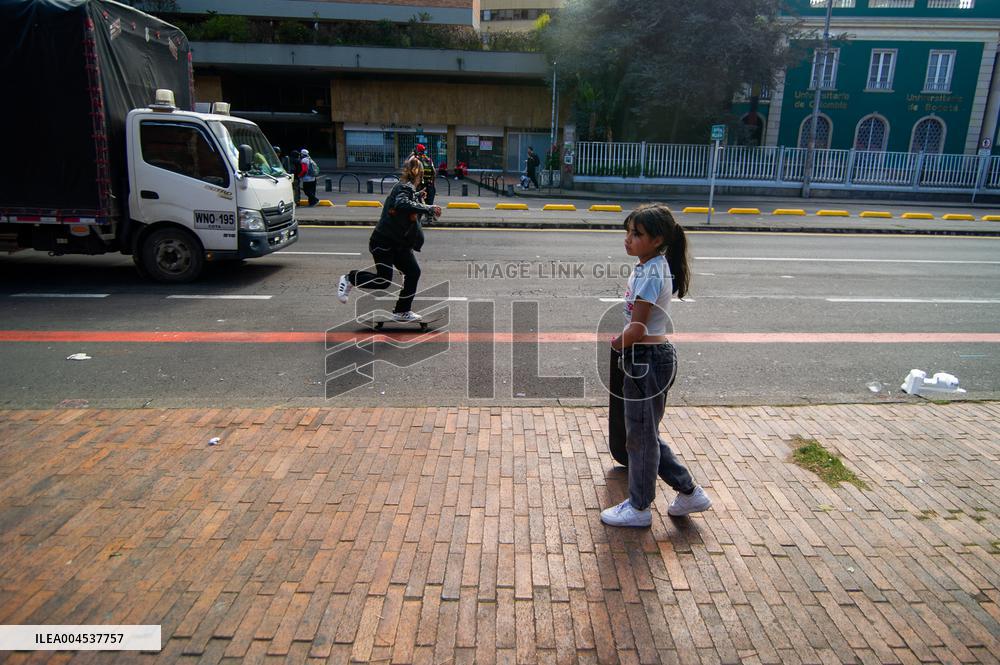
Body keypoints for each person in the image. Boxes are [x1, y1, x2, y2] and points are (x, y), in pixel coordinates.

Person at [601, 204, 711, 528]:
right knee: (646, 434)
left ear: (657, 239)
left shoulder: (651, 272)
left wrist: (616, 344)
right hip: (651, 359)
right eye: (628, 232)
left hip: (645, 361)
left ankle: (639, 507)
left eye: (637, 234)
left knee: (640, 437)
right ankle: (689, 491)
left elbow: (637, 329)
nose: (628, 239)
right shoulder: (651, 265)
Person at [336, 156, 442, 322]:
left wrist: (418, 195)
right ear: (418, 174)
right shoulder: (404, 187)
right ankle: (350, 278)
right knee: (383, 281)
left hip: (399, 244)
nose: (422, 179)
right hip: (384, 242)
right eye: (422, 176)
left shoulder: (407, 189)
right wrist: (429, 207)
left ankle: (402, 311)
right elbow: (401, 203)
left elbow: (405, 202)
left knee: (413, 272)